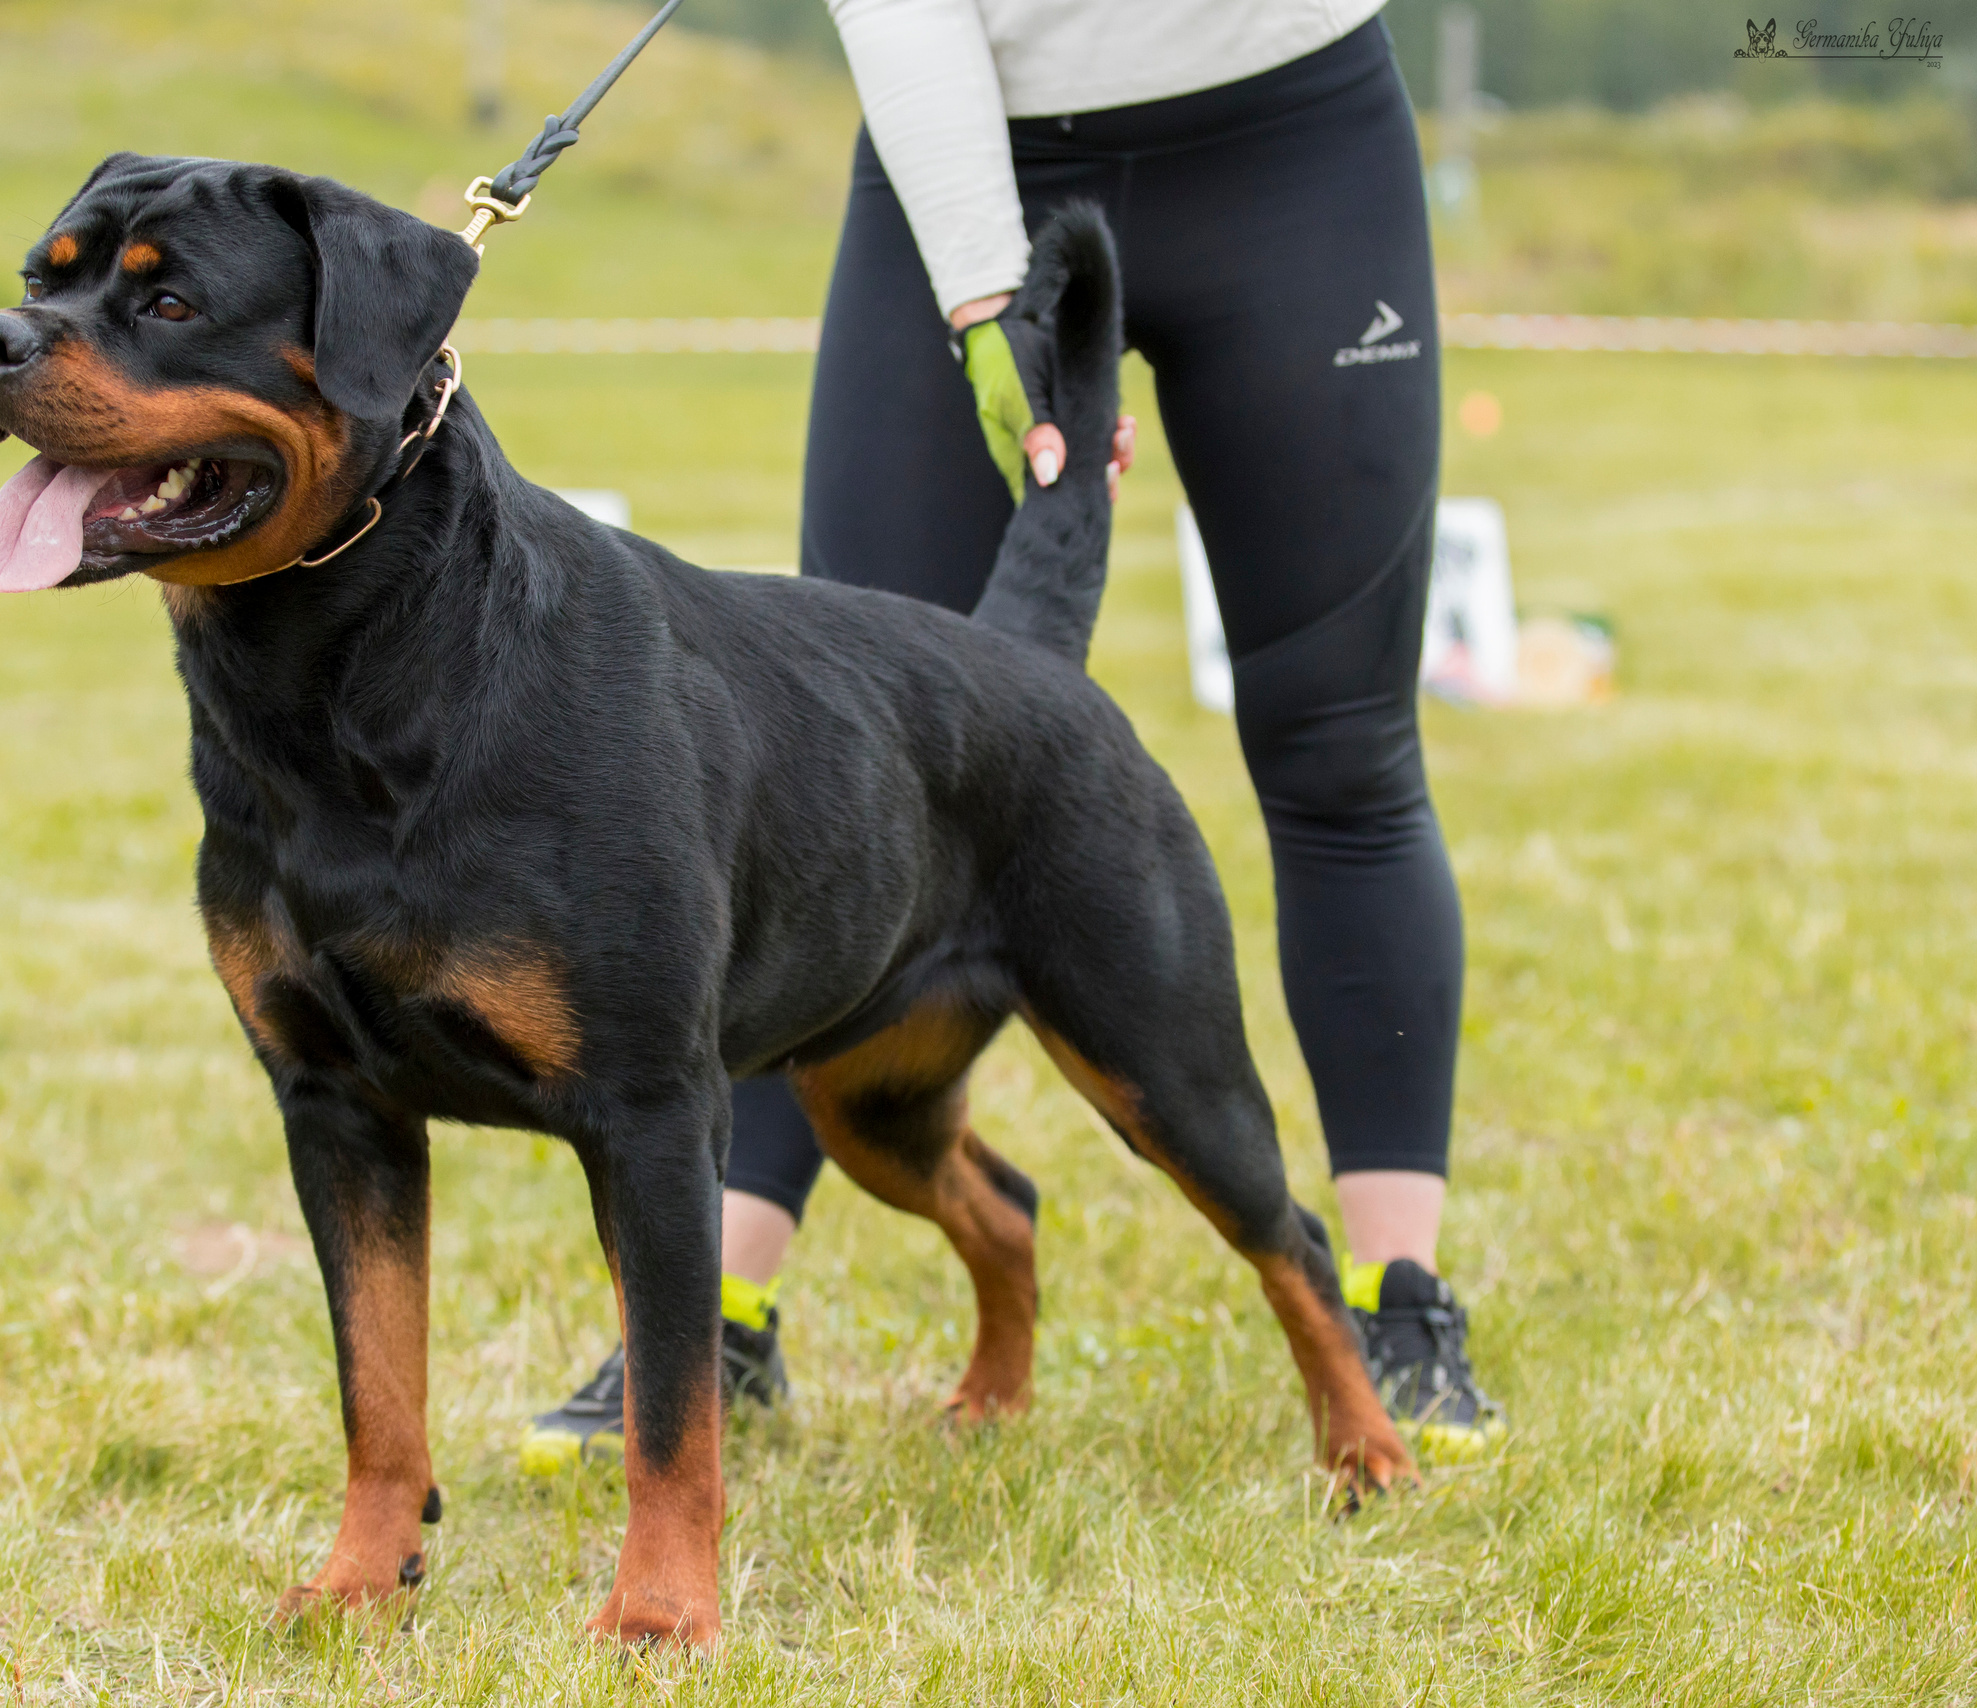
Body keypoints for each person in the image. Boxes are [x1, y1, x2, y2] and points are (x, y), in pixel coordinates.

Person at [519, 0, 1503, 1475]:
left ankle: (1398, 1305)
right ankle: (714, 1311)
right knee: (828, 776)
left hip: (1295, 134)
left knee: (1341, 749)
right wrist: (982, 289)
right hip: (958, 160)